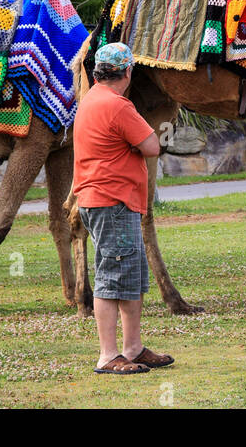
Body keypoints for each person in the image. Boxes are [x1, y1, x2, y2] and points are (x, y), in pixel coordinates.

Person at [73, 41, 174, 375]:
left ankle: (132, 348)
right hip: (112, 202)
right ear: (128, 71)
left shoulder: (91, 100)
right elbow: (151, 146)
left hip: (105, 200)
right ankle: (108, 354)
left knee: (130, 276)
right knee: (112, 276)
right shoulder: (118, 106)